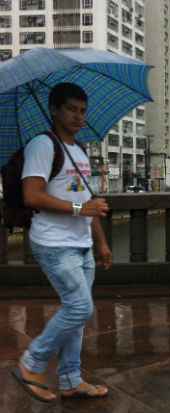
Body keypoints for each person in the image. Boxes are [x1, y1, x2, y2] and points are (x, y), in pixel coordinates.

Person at [12, 83, 111, 402]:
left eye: (83, 110)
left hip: (81, 242)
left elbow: (87, 201)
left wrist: (102, 242)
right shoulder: (43, 145)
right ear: (54, 110)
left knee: (78, 315)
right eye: (71, 109)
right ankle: (31, 362)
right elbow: (32, 195)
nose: (78, 116)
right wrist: (84, 208)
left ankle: (70, 378)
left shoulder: (79, 150)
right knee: (80, 307)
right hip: (54, 242)